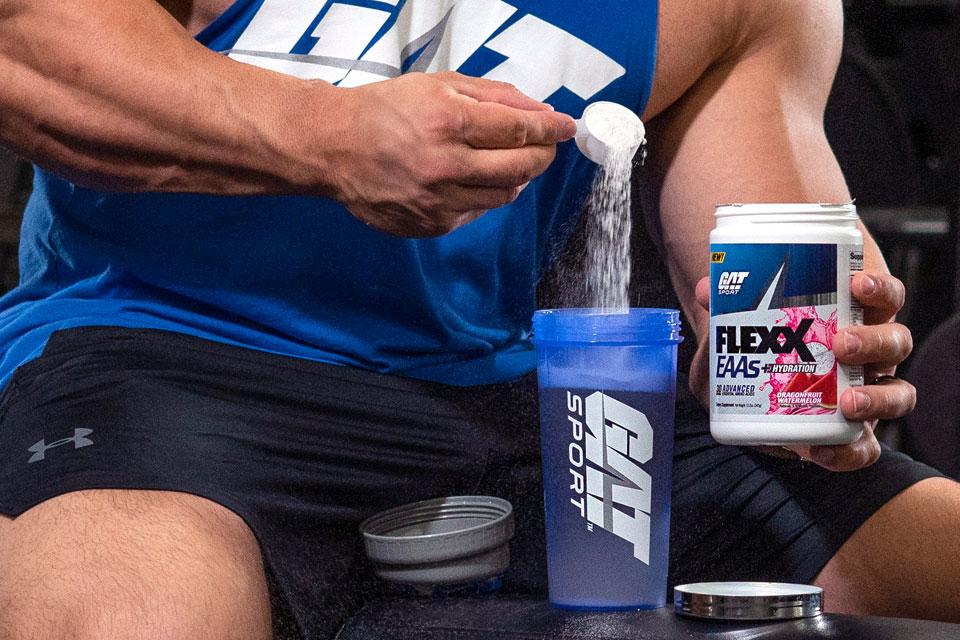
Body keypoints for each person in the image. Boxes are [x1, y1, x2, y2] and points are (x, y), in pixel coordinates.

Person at [0, 0, 957, 638]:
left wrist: (809, 362)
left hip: (515, 389)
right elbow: (29, 41)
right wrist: (328, 136)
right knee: (133, 612)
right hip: (170, 353)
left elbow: (764, 248)